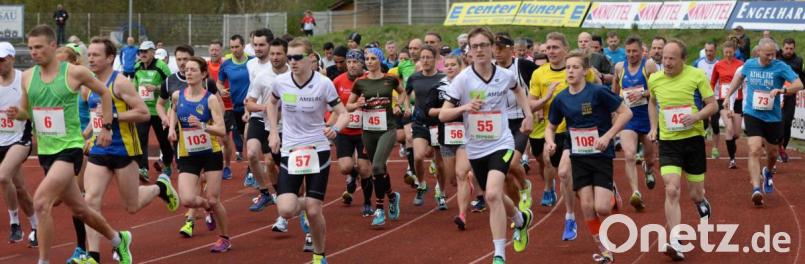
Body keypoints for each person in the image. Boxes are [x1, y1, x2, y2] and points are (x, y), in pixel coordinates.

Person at [10, 24, 132, 264]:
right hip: (46, 150)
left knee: (42, 202)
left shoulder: (74, 73)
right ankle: (119, 239)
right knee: (81, 210)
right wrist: (18, 113)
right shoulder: (27, 77)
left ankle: (43, 261)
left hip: (70, 148)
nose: (34, 52)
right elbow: (27, 112)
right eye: (31, 48)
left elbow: (105, 94)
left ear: (53, 46)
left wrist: (106, 127)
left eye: (39, 47)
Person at [77, 37, 180, 264]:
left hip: (124, 150)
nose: (91, 58)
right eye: (89, 55)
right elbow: (96, 114)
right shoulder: (91, 84)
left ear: (110, 58)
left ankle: (160, 188)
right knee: (90, 201)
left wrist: (113, 117)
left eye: (96, 55)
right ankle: (92, 255)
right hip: (99, 150)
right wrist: (85, 136)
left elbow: (143, 113)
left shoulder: (120, 82)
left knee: (131, 206)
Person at [439, 27, 533, 264]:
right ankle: (520, 219)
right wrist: (464, 108)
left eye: (483, 45)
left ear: (492, 48)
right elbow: (443, 115)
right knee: (496, 196)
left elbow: (519, 90)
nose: (479, 50)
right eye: (474, 46)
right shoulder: (462, 79)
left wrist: (528, 114)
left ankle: (499, 253)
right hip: (475, 147)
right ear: (468, 51)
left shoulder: (504, 74)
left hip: (501, 142)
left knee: (491, 193)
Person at [265, 37, 349, 264]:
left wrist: (335, 129)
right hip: (290, 149)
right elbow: (271, 104)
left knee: (313, 211)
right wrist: (273, 131)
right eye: (289, 57)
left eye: (297, 57)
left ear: (311, 59)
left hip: (317, 148)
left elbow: (343, 113)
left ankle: (319, 254)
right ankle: (305, 202)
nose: (292, 61)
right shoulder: (281, 82)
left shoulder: (323, 84)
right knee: (285, 209)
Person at [547, 51, 632, 264]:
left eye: (575, 67)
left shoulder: (598, 92)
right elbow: (550, 127)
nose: (570, 71)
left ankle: (611, 193)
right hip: (579, 157)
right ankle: (604, 249)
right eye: (567, 68)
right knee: (586, 206)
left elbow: (626, 113)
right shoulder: (561, 98)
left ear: (585, 71)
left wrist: (608, 136)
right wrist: (550, 141)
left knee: (602, 208)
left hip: (601, 155)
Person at [647, 39, 716, 261]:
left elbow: (713, 104)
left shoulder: (696, 75)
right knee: (672, 189)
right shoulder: (655, 79)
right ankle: (676, 240)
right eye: (664, 57)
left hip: (693, 140)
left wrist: (696, 116)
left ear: (683, 60)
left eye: (671, 58)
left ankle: (701, 201)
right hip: (669, 143)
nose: (666, 62)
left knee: (695, 193)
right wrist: (653, 128)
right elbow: (652, 102)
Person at [529, 32, 599, 241]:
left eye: (555, 47)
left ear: (565, 50)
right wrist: (547, 98)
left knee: (565, 173)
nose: (551, 51)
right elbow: (531, 105)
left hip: (580, 130)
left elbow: (597, 93)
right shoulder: (539, 74)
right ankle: (567, 207)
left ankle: (570, 216)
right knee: (558, 170)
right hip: (552, 130)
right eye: (548, 48)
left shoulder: (582, 71)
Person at [723, 38, 803, 206]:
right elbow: (739, 78)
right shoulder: (750, 64)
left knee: (772, 153)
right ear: (758, 52)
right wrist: (729, 94)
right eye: (767, 54)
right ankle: (756, 189)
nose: (771, 57)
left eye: (773, 54)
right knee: (754, 148)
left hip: (773, 117)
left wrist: (783, 90)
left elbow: (799, 84)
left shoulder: (780, 66)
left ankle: (767, 172)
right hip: (753, 114)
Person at [167, 56, 231, 253]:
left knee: (214, 198)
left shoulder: (210, 99)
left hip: (210, 152)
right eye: (186, 69)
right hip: (187, 152)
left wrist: (203, 126)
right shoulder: (178, 95)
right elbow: (173, 110)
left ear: (204, 74)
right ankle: (206, 207)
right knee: (186, 199)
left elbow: (221, 129)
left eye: (193, 69)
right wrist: (171, 128)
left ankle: (225, 238)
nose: (188, 73)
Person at [346, 47, 408, 227]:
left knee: (377, 166)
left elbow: (403, 92)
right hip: (368, 131)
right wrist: (357, 104)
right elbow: (348, 105)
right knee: (379, 170)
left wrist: (399, 105)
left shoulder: (390, 79)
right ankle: (392, 195)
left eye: (373, 58)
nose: (369, 61)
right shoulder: (360, 82)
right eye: (367, 58)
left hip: (387, 129)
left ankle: (379, 209)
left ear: (379, 60)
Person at [612, 36, 659, 211]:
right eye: (628, 51)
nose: (631, 54)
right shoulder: (619, 67)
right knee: (629, 155)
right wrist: (614, 109)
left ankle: (648, 169)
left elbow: (657, 89)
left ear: (641, 51)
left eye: (634, 51)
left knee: (650, 157)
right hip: (628, 118)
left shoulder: (649, 66)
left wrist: (642, 94)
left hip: (647, 117)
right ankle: (636, 192)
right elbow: (614, 93)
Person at [244, 33, 287, 214]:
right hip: (261, 120)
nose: (275, 57)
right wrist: (266, 107)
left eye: (278, 54)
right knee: (252, 153)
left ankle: (282, 195)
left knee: (272, 163)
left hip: (285, 125)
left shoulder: (292, 75)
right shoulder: (262, 76)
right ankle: (264, 192)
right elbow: (250, 102)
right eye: (273, 55)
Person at [494, 33, 537, 212]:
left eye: (501, 49)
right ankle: (517, 208)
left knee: (511, 164)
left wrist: (536, 108)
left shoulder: (523, 66)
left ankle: (525, 185)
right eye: (494, 49)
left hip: (520, 121)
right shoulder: (489, 68)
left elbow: (540, 79)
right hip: (499, 124)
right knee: (503, 174)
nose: (497, 52)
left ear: (511, 50)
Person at [0, 42, 37, 247]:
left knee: (3, 176)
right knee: (21, 189)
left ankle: (14, 223)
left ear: (12, 59)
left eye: (2, 60)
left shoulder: (24, 80)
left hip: (19, 139)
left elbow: (35, 107)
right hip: (0, 140)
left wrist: (23, 114)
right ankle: (36, 226)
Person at [331, 50, 373, 214]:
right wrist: (329, 124)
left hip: (365, 131)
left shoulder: (370, 80)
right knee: (345, 167)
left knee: (365, 168)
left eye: (355, 62)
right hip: (345, 131)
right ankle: (352, 174)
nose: (351, 65)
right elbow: (331, 106)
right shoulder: (338, 81)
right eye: (349, 62)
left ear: (362, 63)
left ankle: (368, 203)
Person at [407, 45, 448, 209]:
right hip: (419, 123)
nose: (424, 60)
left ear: (436, 59)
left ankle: (442, 193)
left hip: (438, 124)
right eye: (422, 57)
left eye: (428, 57)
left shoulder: (443, 78)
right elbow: (405, 93)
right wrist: (403, 107)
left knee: (439, 163)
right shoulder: (414, 78)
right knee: (418, 157)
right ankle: (422, 184)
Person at [133, 40, 173, 181]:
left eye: (145, 51)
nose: (142, 54)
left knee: (163, 141)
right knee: (141, 139)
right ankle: (143, 168)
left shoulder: (160, 66)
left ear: (152, 52)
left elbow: (171, 85)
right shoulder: (137, 66)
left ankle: (167, 164)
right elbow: (134, 86)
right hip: (143, 111)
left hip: (159, 110)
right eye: (140, 52)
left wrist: (156, 88)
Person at [217, 34, 253, 165]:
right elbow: (219, 82)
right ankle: (238, 154)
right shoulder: (226, 64)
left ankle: (251, 169)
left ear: (243, 46)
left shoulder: (253, 61)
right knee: (238, 134)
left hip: (250, 106)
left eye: (237, 46)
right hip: (234, 106)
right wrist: (221, 90)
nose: (234, 50)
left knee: (249, 137)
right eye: (232, 47)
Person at [710, 40, 744, 169]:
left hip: (738, 99)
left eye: (730, 52)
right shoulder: (718, 65)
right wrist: (711, 96)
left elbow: (745, 82)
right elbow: (713, 82)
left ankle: (732, 146)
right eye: (726, 52)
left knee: (736, 133)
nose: (728, 54)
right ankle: (732, 159)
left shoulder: (741, 65)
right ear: (723, 52)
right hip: (724, 100)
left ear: (734, 51)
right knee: (729, 128)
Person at [776, 38, 803, 163]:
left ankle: (782, 149)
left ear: (794, 48)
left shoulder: (798, 61)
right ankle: (775, 147)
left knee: (787, 123)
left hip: (790, 95)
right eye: (786, 48)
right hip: (776, 94)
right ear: (782, 47)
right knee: (778, 122)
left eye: (791, 49)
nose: (788, 51)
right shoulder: (776, 57)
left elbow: (798, 74)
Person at [693, 42, 720, 159]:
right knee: (702, 123)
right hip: (701, 97)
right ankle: (700, 147)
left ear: (715, 51)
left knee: (715, 123)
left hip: (715, 97)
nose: (709, 53)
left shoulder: (719, 63)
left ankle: (715, 148)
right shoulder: (698, 63)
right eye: (707, 50)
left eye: (711, 51)